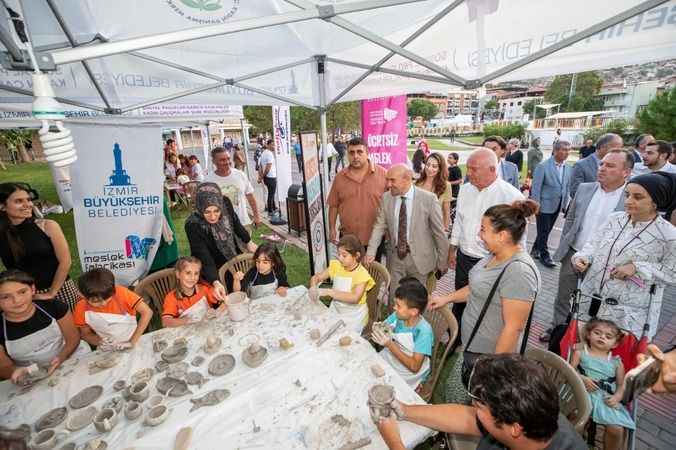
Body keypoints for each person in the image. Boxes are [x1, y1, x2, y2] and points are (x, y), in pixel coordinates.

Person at [431, 200, 540, 403]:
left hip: (488, 358)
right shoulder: (494, 256)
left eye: (483, 230)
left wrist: (493, 374)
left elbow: (513, 328)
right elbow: (477, 288)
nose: (479, 235)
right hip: (473, 347)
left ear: (503, 235)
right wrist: (446, 298)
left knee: (469, 407)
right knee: (454, 396)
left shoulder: (519, 272)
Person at [373, 354, 587, 450]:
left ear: (514, 429)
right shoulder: (535, 411)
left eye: (480, 406)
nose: (474, 409)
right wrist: (404, 410)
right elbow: (467, 419)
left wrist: (395, 443)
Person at [540, 150, 632, 342]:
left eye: (610, 166)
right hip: (573, 254)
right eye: (602, 164)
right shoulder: (585, 188)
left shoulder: (630, 198)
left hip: (606, 263)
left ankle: (587, 338)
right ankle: (557, 330)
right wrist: (567, 244)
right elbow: (571, 218)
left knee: (595, 302)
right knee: (563, 297)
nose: (602, 168)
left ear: (626, 172)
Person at [572, 172, 676, 340]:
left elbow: (672, 273)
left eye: (638, 197)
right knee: (578, 350)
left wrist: (637, 267)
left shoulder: (669, 235)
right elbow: (593, 245)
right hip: (590, 300)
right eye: (627, 195)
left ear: (656, 202)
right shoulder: (615, 219)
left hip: (627, 314)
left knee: (613, 361)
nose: (628, 201)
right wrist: (583, 257)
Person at [448, 149, 524, 329]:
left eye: (474, 169)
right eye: (468, 168)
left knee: (483, 306)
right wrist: (452, 249)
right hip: (465, 258)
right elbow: (459, 220)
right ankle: (455, 337)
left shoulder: (511, 196)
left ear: (492, 169)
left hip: (492, 263)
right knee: (459, 301)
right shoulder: (466, 190)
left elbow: (519, 240)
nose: (469, 173)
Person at [365, 165, 449, 299]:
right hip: (396, 258)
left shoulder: (429, 199)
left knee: (418, 301)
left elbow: (439, 233)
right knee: (394, 298)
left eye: (392, 180)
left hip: (421, 261)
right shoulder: (386, 198)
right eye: (387, 180)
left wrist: (442, 262)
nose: (388, 184)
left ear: (407, 179)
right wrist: (371, 252)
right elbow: (379, 226)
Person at [0, 270, 90, 383]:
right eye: (6, 297)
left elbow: (73, 338)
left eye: (22, 292)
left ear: (32, 289)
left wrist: (61, 358)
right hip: (32, 374)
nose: (17, 301)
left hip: (69, 355)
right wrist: (16, 371)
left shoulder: (54, 307)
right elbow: (4, 367)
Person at [0, 183, 79, 310]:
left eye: (29, 200)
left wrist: (52, 293)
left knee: (71, 327)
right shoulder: (2, 234)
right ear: (2, 206)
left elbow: (65, 261)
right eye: (19, 201)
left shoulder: (47, 226)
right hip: (23, 297)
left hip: (60, 289)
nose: (28, 204)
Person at [570, 319, 635, 450]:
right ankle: (574, 445)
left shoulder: (617, 362)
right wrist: (582, 378)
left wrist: (617, 397)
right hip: (582, 392)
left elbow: (622, 385)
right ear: (589, 335)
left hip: (605, 398)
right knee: (576, 419)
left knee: (616, 429)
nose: (602, 337)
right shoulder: (580, 353)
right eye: (597, 333)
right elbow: (569, 371)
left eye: (608, 336)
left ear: (615, 343)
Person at [185, 182, 257, 297]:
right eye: (207, 212)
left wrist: (248, 241)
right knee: (223, 294)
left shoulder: (225, 203)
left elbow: (235, 223)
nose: (213, 217)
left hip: (232, 253)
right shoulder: (193, 225)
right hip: (212, 263)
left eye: (216, 211)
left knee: (242, 286)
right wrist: (215, 281)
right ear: (200, 207)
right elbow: (203, 256)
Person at [327, 137, 387, 258]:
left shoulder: (383, 175)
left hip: (374, 239)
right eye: (351, 152)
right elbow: (333, 206)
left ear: (367, 153)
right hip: (347, 239)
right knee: (348, 274)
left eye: (360, 152)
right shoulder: (340, 177)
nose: (355, 156)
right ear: (347, 154)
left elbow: (392, 206)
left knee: (372, 274)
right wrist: (332, 229)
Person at [371, 277, 433, 389]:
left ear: (413, 311)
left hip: (409, 371)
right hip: (392, 355)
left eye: (398, 306)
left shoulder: (424, 332)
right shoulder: (398, 316)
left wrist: (390, 345)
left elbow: (415, 367)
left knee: (387, 389)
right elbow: (386, 326)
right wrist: (379, 329)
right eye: (395, 304)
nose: (394, 308)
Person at [74, 268, 152, 349]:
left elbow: (147, 312)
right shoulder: (81, 308)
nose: (103, 304)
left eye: (107, 298)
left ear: (113, 289)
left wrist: (132, 342)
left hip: (134, 339)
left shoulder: (122, 293)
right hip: (107, 348)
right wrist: (98, 341)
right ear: (83, 296)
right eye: (96, 301)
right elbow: (85, 334)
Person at [310, 235, 375, 333]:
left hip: (354, 315)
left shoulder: (361, 275)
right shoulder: (337, 266)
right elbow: (317, 277)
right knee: (320, 328)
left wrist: (329, 292)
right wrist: (313, 287)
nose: (340, 258)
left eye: (344, 255)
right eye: (339, 254)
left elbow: (355, 298)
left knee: (342, 338)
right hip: (336, 309)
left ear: (356, 256)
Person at [530, 140, 572, 268]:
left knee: (546, 230)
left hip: (557, 205)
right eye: (563, 150)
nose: (566, 153)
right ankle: (545, 255)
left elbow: (566, 187)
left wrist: (565, 204)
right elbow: (536, 188)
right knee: (543, 231)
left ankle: (535, 249)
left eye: (568, 150)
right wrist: (536, 206)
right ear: (555, 150)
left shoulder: (568, 167)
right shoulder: (543, 166)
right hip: (543, 205)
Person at [205, 147, 261, 228]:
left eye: (228, 159)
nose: (227, 162)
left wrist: (257, 216)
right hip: (220, 226)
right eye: (222, 160)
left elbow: (250, 197)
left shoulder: (240, 175)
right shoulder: (207, 181)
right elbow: (205, 205)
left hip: (243, 223)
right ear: (214, 161)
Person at [162, 256, 225, 328]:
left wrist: (217, 312)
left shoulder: (205, 289)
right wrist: (189, 320)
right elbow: (166, 322)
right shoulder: (171, 298)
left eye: (196, 273)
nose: (192, 278)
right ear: (178, 274)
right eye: (188, 273)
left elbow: (224, 302)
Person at [569, 133, 623, 198]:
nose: (619, 152)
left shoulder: (619, 166)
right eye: (616, 149)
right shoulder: (581, 165)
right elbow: (575, 192)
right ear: (603, 147)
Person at [415, 152, 452, 231]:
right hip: (417, 230)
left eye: (434, 166)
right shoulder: (416, 184)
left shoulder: (446, 186)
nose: (429, 168)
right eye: (427, 165)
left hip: (436, 230)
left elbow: (446, 211)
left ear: (440, 169)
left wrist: (445, 230)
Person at [258, 139, 278, 215]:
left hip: (267, 178)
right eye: (272, 145)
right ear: (268, 145)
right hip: (270, 177)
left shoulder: (264, 153)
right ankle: (270, 210)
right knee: (271, 194)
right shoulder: (269, 154)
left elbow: (260, 166)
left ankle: (274, 207)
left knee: (271, 192)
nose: (274, 146)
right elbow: (268, 167)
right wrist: (262, 176)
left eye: (274, 145)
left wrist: (261, 177)